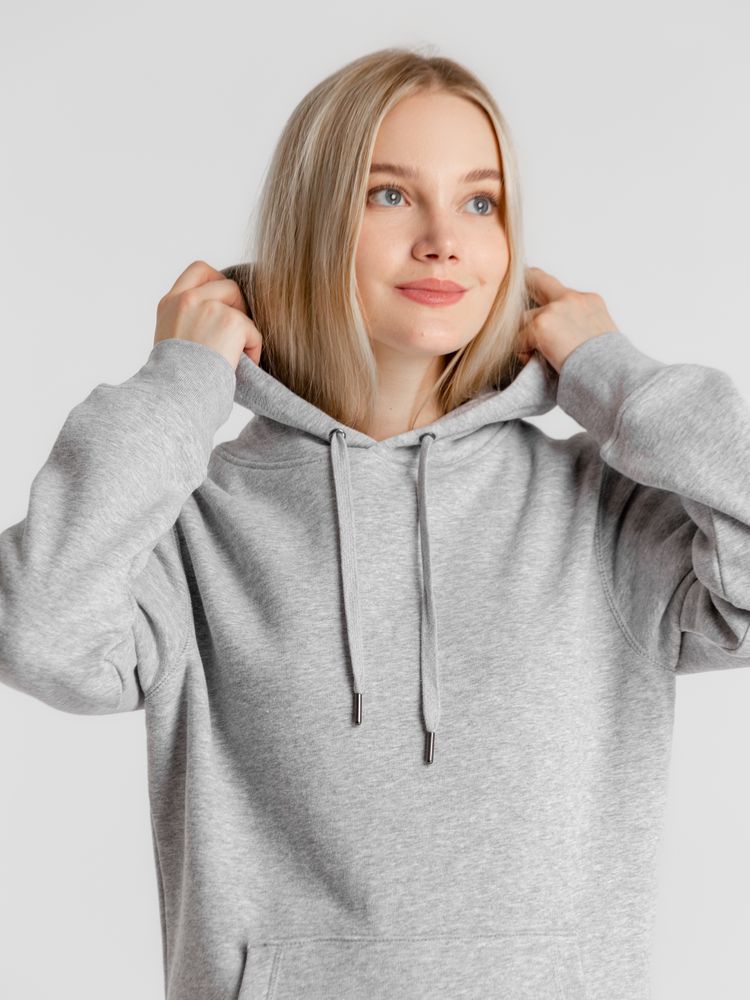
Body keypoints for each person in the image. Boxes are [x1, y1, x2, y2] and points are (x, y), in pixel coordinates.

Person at [1, 46, 749, 1000]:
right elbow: (38, 631)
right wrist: (178, 387)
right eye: (390, 195)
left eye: (480, 203)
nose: (443, 240)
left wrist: (622, 380)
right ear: (314, 221)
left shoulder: (602, 515)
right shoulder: (193, 532)